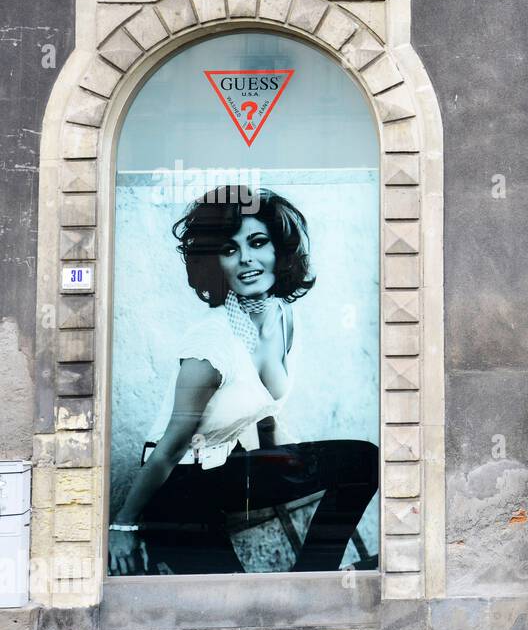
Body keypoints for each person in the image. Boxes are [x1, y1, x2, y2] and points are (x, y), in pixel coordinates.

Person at [108, 185, 379, 576]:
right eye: (230, 249)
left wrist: (280, 466)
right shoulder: (210, 344)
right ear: (214, 263)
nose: (246, 260)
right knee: (231, 598)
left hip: (228, 467)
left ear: (279, 251)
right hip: (177, 485)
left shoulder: (282, 315)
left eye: (257, 242)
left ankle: (311, 576)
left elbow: (266, 410)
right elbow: (170, 446)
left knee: (362, 459)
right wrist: (124, 524)